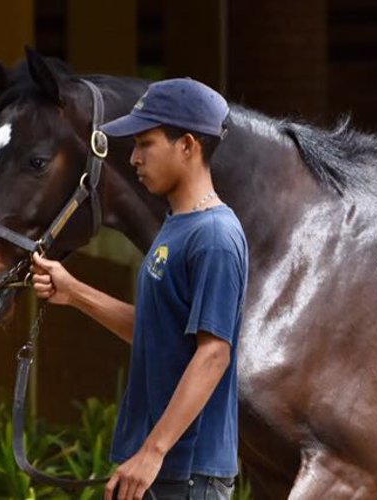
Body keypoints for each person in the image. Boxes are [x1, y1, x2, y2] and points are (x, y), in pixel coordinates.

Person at [30, 78, 247, 500]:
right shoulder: (178, 228)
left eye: (145, 143)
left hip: (185, 474)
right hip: (153, 471)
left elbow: (214, 352)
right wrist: (73, 292)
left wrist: (154, 450)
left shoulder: (216, 236)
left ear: (187, 145)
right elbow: (155, 333)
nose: (133, 158)